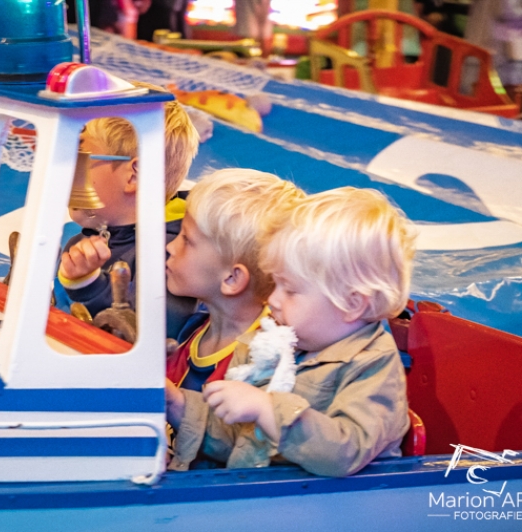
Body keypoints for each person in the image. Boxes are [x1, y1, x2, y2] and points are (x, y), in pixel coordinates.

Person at [166, 187, 417, 476]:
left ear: (351, 304)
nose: (272, 299)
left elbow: (346, 451)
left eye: (290, 290)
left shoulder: (373, 366)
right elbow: (238, 440)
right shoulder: (280, 346)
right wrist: (178, 405)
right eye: (276, 284)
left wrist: (267, 409)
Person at [58, 83, 200, 340]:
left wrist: (88, 285)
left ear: (134, 176)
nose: (65, 169)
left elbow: (156, 329)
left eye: (78, 157)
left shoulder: (173, 253)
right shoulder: (82, 244)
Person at [165, 169, 306, 392]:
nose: (170, 247)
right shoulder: (194, 328)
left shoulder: (259, 364)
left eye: (186, 240)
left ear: (231, 279)